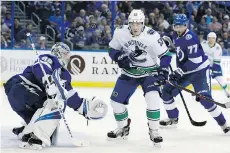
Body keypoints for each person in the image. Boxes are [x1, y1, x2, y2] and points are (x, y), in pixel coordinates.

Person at [3, 42, 108, 149]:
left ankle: (26, 131)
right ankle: (36, 138)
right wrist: (48, 80)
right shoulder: (51, 59)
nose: (68, 57)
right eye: (65, 54)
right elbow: (40, 67)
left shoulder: (65, 75)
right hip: (21, 87)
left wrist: (85, 108)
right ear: (58, 53)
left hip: (26, 101)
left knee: (51, 128)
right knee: (57, 103)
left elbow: (70, 97)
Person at [107, 9, 172, 146]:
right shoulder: (120, 32)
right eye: (133, 23)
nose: (135, 27)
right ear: (128, 23)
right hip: (129, 73)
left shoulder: (152, 36)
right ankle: (123, 128)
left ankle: (154, 130)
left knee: (153, 98)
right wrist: (118, 57)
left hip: (149, 73)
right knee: (116, 103)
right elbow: (112, 49)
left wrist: (164, 70)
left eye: (138, 23)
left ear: (143, 23)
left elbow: (165, 56)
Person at [160, 14, 230, 134]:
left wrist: (178, 72)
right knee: (166, 91)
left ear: (185, 26)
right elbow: (171, 37)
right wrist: (165, 40)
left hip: (199, 72)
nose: (178, 29)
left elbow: (195, 62)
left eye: (180, 26)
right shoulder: (176, 33)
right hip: (186, 72)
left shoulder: (190, 38)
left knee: (205, 100)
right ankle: (173, 119)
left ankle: (224, 125)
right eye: (176, 26)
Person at [201, 32, 230, 98]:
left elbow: (216, 62)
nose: (211, 40)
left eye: (213, 38)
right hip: (204, 65)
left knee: (221, 79)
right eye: (209, 38)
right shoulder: (203, 44)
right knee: (205, 80)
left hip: (214, 66)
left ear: (215, 39)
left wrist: (212, 70)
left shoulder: (218, 48)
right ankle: (207, 95)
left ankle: (227, 92)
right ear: (207, 38)